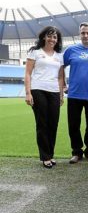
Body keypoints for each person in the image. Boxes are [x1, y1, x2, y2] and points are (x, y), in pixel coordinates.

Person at [63, 22, 88, 164]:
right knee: (73, 124)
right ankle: (76, 152)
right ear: (79, 34)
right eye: (83, 33)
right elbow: (60, 66)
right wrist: (63, 84)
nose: (85, 35)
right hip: (74, 94)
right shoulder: (71, 50)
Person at [24, 26, 64, 168]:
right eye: (49, 36)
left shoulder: (59, 55)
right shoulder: (35, 52)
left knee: (53, 124)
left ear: (57, 40)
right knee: (42, 123)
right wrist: (28, 93)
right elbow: (28, 73)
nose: (52, 39)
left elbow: (60, 77)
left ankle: (50, 154)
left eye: (54, 37)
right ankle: (45, 156)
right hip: (38, 89)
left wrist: (61, 94)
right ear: (43, 37)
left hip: (54, 91)